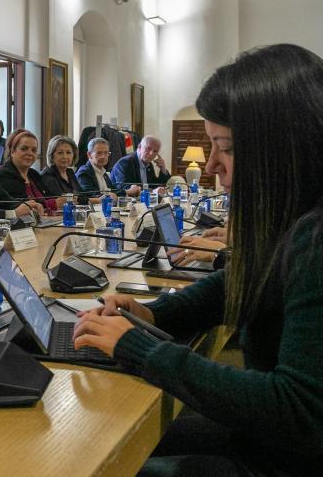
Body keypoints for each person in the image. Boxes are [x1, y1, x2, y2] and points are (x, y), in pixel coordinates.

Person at [74, 44, 323, 476]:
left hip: (291, 456)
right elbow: (238, 285)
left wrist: (142, 349)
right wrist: (152, 315)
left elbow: (299, 411)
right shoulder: (294, 216)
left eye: (224, 148)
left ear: (281, 147)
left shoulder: (316, 238)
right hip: (276, 442)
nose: (212, 166)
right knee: (97, 438)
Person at [0, 129, 56, 214]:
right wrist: (54, 203)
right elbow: (20, 205)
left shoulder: (34, 174)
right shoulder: (4, 175)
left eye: (34, 150)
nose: (30, 153)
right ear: (12, 151)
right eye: (24, 149)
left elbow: (49, 197)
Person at [39, 134, 99, 205]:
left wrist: (99, 199)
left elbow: (82, 198)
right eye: (60, 153)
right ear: (51, 156)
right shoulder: (47, 175)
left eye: (68, 152)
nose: (65, 156)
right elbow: (62, 201)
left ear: (73, 155)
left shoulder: (69, 172)